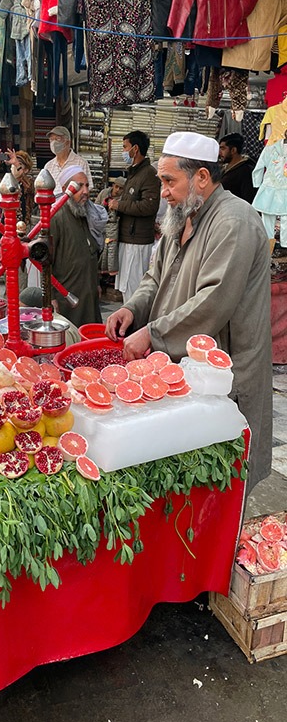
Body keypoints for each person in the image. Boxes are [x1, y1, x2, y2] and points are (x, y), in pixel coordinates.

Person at [105, 131, 272, 492]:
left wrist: (153, 332)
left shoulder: (234, 221)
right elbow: (154, 277)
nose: (163, 191)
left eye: (168, 181)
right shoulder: (183, 214)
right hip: (181, 367)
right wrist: (133, 309)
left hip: (226, 371)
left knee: (225, 479)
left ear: (201, 177)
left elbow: (214, 301)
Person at [108, 130, 160, 304]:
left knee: (134, 290)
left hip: (136, 241)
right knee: (126, 289)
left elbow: (149, 206)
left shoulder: (149, 174)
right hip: (127, 238)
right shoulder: (134, 173)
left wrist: (119, 205)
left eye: (125, 147)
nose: (123, 152)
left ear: (135, 149)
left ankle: (134, 327)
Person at [48, 165, 102, 327]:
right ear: (66, 189)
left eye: (86, 185)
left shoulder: (84, 213)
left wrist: (96, 283)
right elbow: (45, 261)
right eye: (79, 186)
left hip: (89, 291)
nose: (85, 191)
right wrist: (51, 297)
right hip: (67, 296)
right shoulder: (56, 216)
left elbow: (91, 252)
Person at [0, 149, 35, 226]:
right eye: (12, 164)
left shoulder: (29, 182)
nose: (14, 166)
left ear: (26, 170)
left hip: (23, 225)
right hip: (6, 224)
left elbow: (29, 188)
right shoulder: (6, 182)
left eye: (19, 164)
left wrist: (17, 165)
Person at [45, 126, 93, 194]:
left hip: (73, 203)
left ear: (67, 142)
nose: (53, 143)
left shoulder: (80, 163)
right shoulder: (48, 166)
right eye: (51, 139)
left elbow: (87, 188)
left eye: (58, 139)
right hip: (54, 204)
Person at [96, 176, 126, 278]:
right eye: (117, 187)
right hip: (101, 226)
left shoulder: (123, 199)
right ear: (113, 185)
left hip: (114, 228)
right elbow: (96, 208)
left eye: (121, 188)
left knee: (112, 252)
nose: (118, 190)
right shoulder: (104, 193)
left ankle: (110, 275)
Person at [218, 133, 256, 204]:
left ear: (233, 150)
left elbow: (248, 199)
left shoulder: (246, 171)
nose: (219, 153)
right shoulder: (223, 169)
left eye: (223, 148)